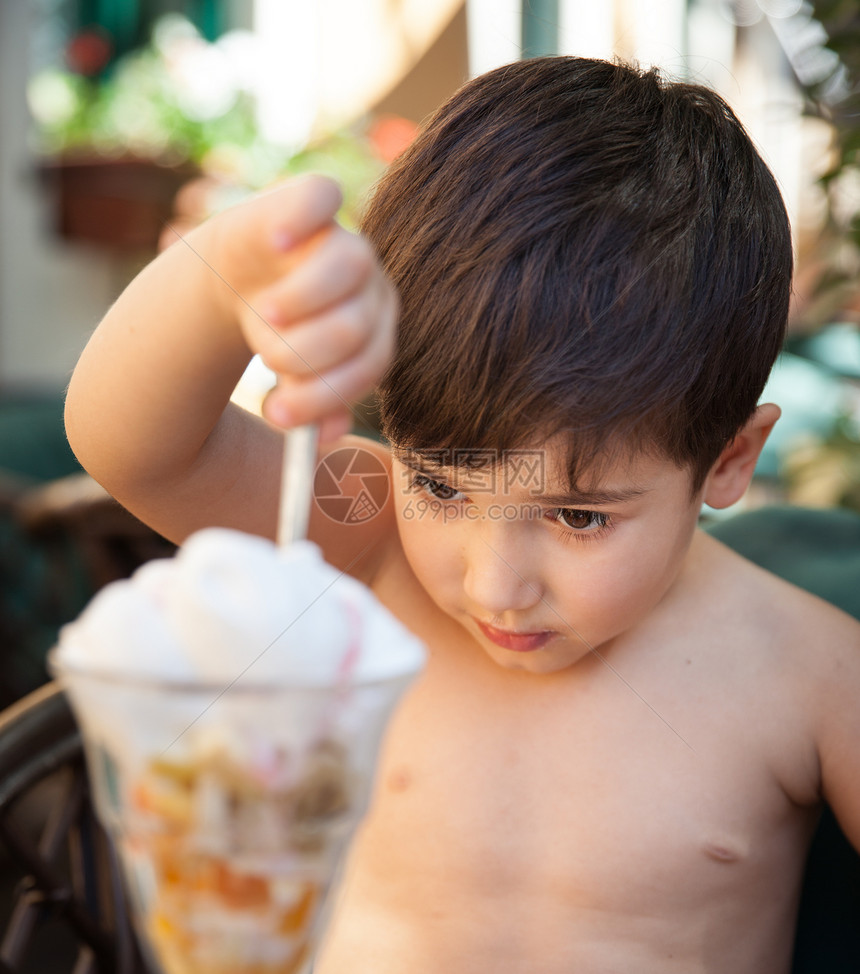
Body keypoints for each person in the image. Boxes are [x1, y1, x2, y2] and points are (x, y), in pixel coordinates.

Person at [64, 56, 860, 973]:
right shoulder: (366, 542)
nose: (494, 585)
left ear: (729, 459)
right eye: (442, 486)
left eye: (577, 517)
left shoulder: (810, 675)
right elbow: (131, 448)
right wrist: (222, 276)